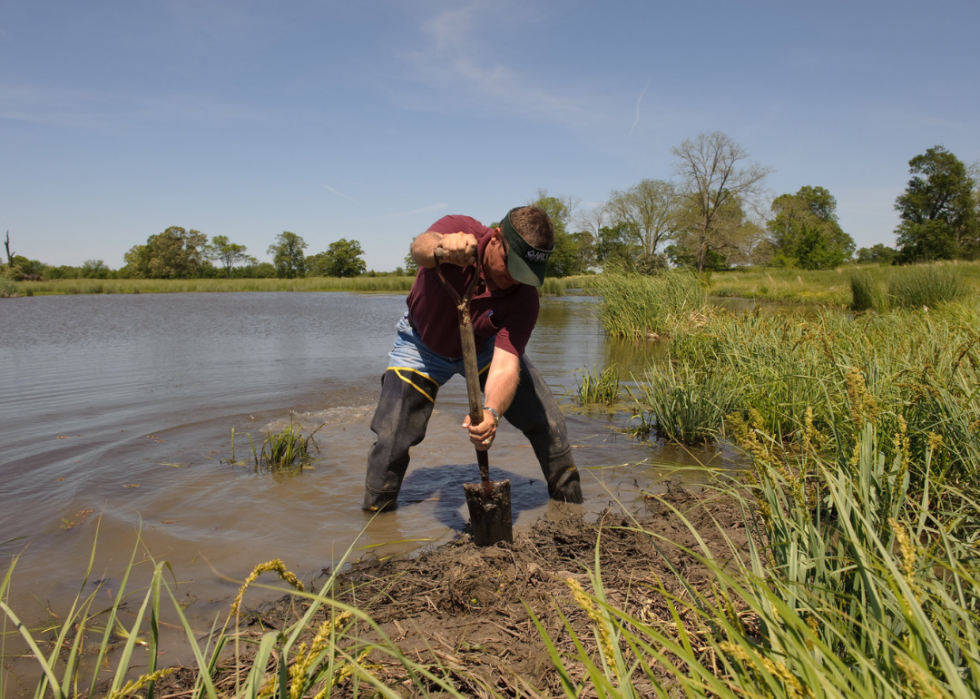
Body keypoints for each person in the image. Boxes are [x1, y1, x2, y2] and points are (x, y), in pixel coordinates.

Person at [363, 206, 584, 511]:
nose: (515, 279)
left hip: (483, 347)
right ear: (495, 239)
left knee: (548, 421)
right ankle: (376, 523)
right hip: (421, 344)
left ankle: (571, 510)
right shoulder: (460, 227)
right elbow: (419, 248)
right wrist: (443, 248)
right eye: (510, 265)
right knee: (392, 437)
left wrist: (491, 412)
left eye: (525, 274)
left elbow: (506, 363)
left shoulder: (525, 298)